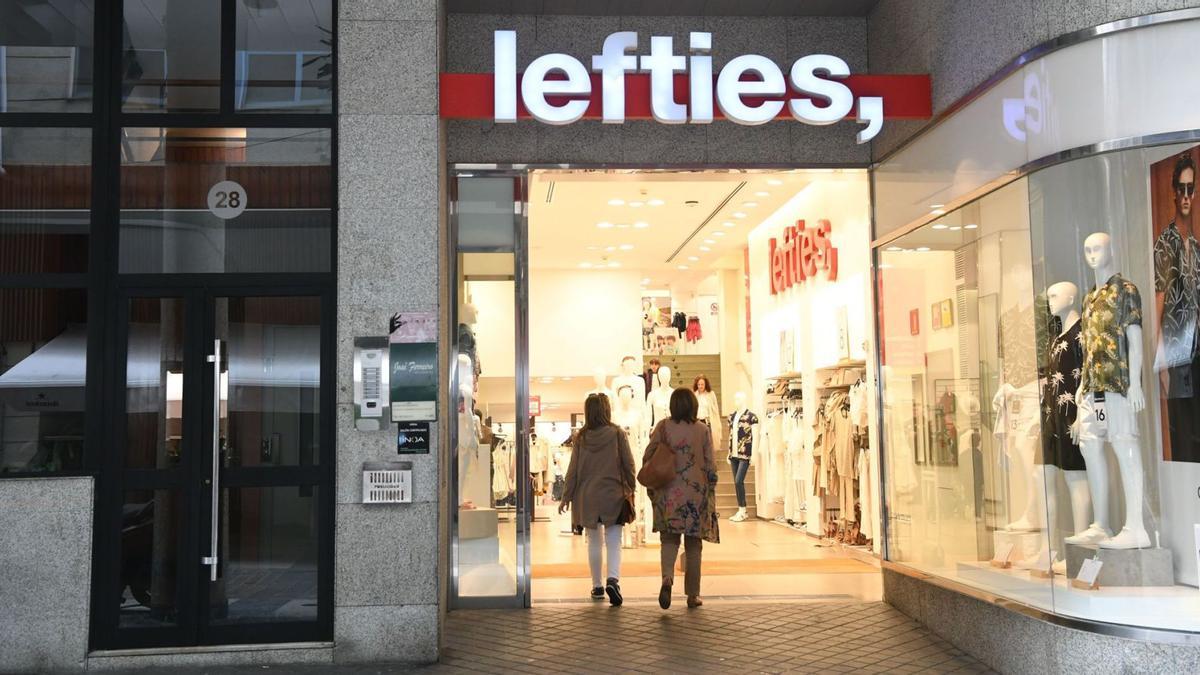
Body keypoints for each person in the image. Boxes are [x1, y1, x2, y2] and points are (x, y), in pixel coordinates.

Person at [644, 388, 720, 610]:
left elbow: (648, 455)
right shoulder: (703, 430)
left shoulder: (663, 427)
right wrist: (710, 489)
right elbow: (711, 466)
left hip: (668, 493)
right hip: (695, 495)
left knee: (669, 541)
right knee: (693, 545)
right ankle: (692, 595)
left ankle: (667, 578)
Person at [560, 393, 636, 606]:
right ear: (606, 410)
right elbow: (628, 464)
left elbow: (572, 470)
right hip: (614, 493)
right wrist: (631, 486)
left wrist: (566, 496)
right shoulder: (617, 433)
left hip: (588, 496)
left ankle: (597, 586)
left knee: (593, 541)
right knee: (614, 540)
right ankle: (613, 579)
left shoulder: (581, 438)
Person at [1154, 153, 1200, 462]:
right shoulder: (1165, 243)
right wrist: (1161, 362)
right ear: (1174, 191)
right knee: (1182, 434)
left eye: (1190, 189)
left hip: (1197, 353)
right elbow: (1160, 301)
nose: (1185, 195)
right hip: (1177, 356)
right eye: (1180, 188)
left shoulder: (1196, 247)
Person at [693, 374, 721, 451]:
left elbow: (715, 410)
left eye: (702, 384)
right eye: (698, 384)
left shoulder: (711, 394)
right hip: (697, 422)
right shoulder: (694, 395)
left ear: (706, 384)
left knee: (708, 445)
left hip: (707, 422)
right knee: (698, 444)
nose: (700, 386)